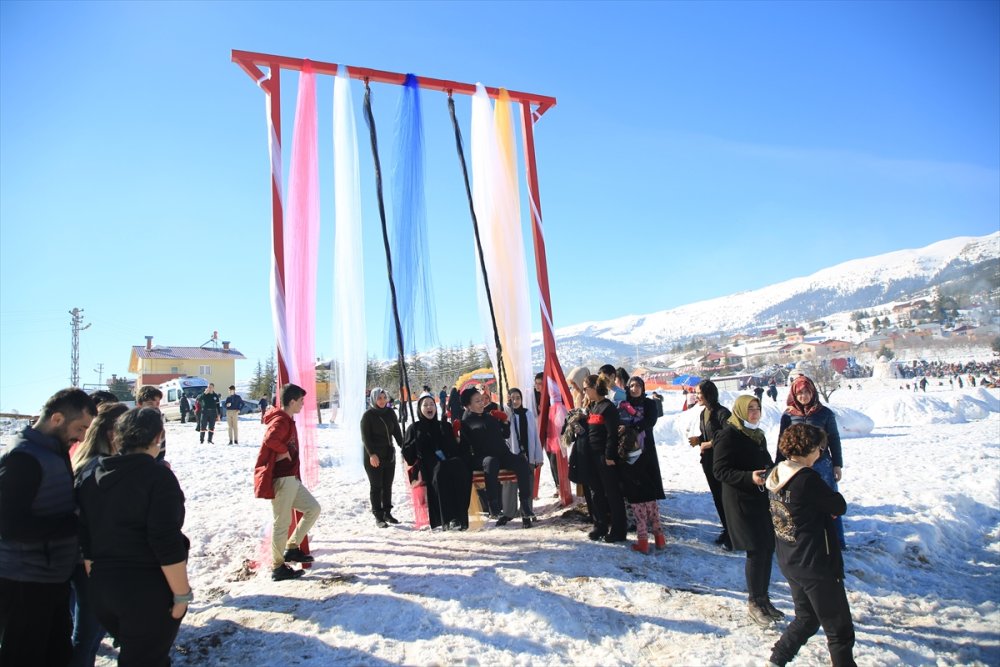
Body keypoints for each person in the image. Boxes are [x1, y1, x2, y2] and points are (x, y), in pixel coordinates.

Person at [77, 407, 191, 666]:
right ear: (158, 437)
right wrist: (182, 595)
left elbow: (86, 539)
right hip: (145, 589)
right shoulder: (158, 477)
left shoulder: (92, 475)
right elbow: (165, 540)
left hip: (102, 588)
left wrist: (97, 581)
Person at [0, 388, 96, 667]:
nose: (81, 437)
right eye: (79, 428)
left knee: (56, 655)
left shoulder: (51, 450)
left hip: (49, 578)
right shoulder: (23, 458)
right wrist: (73, 523)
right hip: (24, 582)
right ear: (56, 418)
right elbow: (9, 525)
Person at [766, 424, 856, 667]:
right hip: (816, 564)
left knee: (807, 619)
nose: (820, 454)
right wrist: (827, 510)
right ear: (808, 449)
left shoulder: (776, 474)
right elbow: (838, 505)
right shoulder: (806, 479)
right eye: (819, 448)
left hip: (791, 559)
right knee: (840, 631)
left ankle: (776, 660)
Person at [713, 395, 782, 627]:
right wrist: (747, 477)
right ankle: (754, 603)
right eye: (750, 409)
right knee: (755, 550)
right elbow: (720, 471)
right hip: (740, 501)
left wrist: (772, 471)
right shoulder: (728, 434)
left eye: (757, 408)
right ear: (741, 410)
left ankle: (764, 599)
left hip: (760, 498)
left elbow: (766, 460)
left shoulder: (757, 435)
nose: (754, 412)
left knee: (767, 547)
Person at [69, 401, 129, 667]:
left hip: (84, 560)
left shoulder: (88, 461)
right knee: (87, 634)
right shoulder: (99, 468)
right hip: (90, 563)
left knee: (89, 632)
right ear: (111, 433)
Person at [253, 383, 321, 581]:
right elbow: (270, 439)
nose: (302, 404)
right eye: (300, 401)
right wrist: (284, 451)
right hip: (282, 479)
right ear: (291, 402)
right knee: (282, 522)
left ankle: (292, 548)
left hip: (291, 479)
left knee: (312, 508)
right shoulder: (281, 421)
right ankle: (277, 567)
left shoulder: (286, 419)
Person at [777, 375, 846, 549]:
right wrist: (778, 464)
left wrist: (837, 464)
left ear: (813, 392)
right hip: (796, 465)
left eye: (807, 392)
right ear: (794, 394)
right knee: (804, 503)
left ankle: (837, 541)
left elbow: (834, 439)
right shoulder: (788, 415)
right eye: (800, 393)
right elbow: (782, 440)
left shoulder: (824, 413)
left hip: (822, 463)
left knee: (828, 502)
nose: (804, 396)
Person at [459, 387, 535, 528]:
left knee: (520, 461)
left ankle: (525, 504)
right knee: (491, 461)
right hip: (483, 458)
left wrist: (505, 422)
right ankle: (493, 505)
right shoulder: (466, 422)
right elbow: (464, 448)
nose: (482, 403)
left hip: (502, 454)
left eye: (482, 400)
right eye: (477, 401)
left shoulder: (490, 416)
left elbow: (505, 435)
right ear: (468, 406)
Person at [401, 395, 472, 530]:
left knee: (460, 467)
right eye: (425, 405)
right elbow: (409, 457)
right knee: (440, 471)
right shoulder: (414, 428)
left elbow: (454, 450)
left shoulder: (443, 425)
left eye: (432, 404)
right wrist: (417, 440)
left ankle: (460, 517)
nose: (429, 407)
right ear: (419, 409)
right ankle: (446, 518)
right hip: (427, 463)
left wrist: (456, 435)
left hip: (446, 459)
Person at [618, 376, 665, 553]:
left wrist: (633, 429)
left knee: (648, 497)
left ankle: (658, 536)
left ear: (643, 387)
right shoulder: (623, 404)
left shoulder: (649, 404)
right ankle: (643, 538)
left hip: (646, 452)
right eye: (631, 385)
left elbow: (650, 421)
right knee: (636, 498)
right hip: (629, 452)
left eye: (638, 385)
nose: (634, 388)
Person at [690, 379, 733, 550]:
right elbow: (707, 434)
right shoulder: (703, 413)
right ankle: (726, 528)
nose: (696, 396)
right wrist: (699, 440)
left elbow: (729, 435)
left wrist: (709, 444)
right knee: (717, 497)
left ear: (708, 393)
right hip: (709, 461)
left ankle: (733, 533)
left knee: (726, 497)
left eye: (699, 393)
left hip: (723, 461)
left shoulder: (722, 413)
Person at [582, 374, 626, 542]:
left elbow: (611, 434)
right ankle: (599, 525)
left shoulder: (608, 408)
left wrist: (609, 455)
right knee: (596, 493)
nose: (585, 391)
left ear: (594, 388)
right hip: (592, 457)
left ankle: (618, 530)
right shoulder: (593, 407)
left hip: (604, 457)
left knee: (612, 494)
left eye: (586, 388)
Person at [360, 387, 403, 528]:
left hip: (389, 454)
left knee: (387, 485)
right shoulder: (368, 416)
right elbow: (365, 438)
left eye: (384, 398)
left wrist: (404, 446)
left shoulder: (390, 412)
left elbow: (396, 431)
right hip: (373, 456)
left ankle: (387, 513)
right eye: (379, 398)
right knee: (376, 486)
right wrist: (372, 454)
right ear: (373, 399)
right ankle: (378, 516)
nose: (383, 401)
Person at [501, 388, 544, 517]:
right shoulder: (507, 414)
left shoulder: (528, 414)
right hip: (512, 456)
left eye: (518, 398)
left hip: (527, 456)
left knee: (528, 485)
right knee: (510, 484)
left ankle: (527, 511)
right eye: (512, 398)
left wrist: (538, 456)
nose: (515, 401)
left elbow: (535, 436)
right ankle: (509, 512)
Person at [136, 385, 167, 463]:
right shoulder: (133, 423)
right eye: (150, 403)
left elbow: (161, 450)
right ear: (139, 404)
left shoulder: (158, 420)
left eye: (157, 403)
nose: (155, 406)